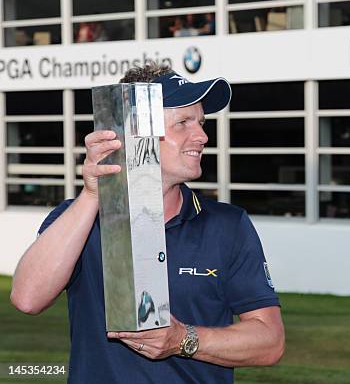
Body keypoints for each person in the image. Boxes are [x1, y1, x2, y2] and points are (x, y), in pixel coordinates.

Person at [10, 63, 285, 383]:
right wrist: (91, 196)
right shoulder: (80, 218)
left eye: (201, 122)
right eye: (183, 122)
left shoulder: (227, 225)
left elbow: (270, 342)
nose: (202, 135)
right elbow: (27, 298)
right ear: (134, 132)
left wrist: (184, 339)